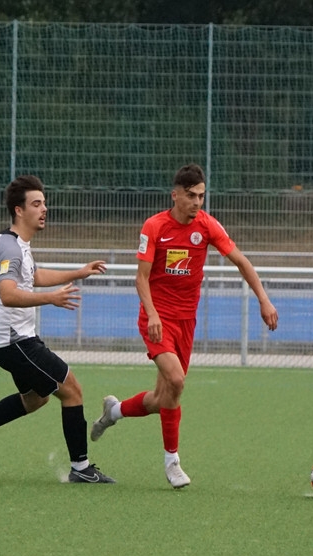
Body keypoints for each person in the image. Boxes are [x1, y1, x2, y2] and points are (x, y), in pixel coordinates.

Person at [90, 164, 278, 488]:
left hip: (186, 322)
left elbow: (242, 262)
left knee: (162, 397)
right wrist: (152, 314)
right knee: (177, 380)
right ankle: (172, 462)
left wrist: (264, 299)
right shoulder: (154, 226)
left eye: (201, 196)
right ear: (175, 195)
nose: (197, 202)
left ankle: (114, 411)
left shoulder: (207, 226)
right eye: (191, 196)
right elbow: (141, 278)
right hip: (157, 320)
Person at [0, 174, 115, 484]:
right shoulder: (11, 248)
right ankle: (81, 468)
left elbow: (34, 276)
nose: (44, 209)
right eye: (36, 204)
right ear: (19, 210)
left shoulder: (17, 244)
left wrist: (79, 272)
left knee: (36, 399)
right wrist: (51, 298)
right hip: (15, 342)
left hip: (14, 341)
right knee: (72, 391)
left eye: (44, 203)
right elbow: (8, 293)